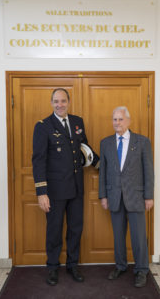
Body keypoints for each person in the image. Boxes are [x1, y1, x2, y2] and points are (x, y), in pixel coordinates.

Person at [32, 88, 99, 286]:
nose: (60, 104)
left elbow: (84, 149)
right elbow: (38, 160)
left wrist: (102, 165)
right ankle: (52, 267)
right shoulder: (43, 126)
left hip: (77, 188)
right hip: (55, 190)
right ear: (51, 103)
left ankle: (72, 265)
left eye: (63, 101)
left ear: (68, 102)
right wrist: (41, 192)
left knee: (76, 228)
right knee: (54, 229)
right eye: (56, 101)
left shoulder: (77, 122)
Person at [99, 106, 154, 288]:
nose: (117, 123)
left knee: (138, 237)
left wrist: (149, 196)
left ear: (129, 121)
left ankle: (141, 270)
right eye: (114, 119)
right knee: (118, 236)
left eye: (121, 119)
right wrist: (103, 196)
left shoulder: (142, 142)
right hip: (114, 197)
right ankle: (121, 266)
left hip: (136, 197)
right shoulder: (105, 143)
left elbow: (148, 171)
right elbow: (103, 172)